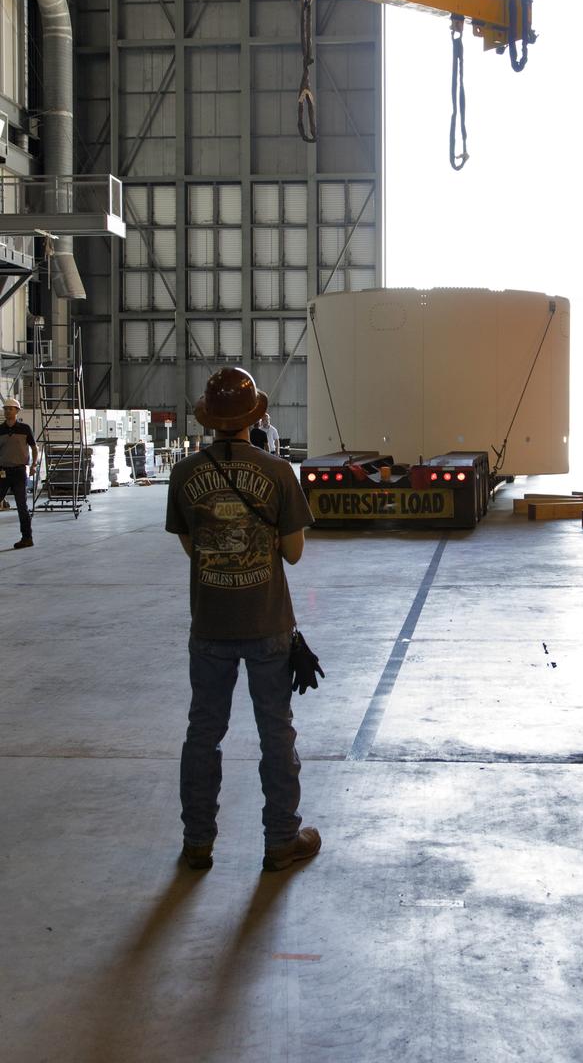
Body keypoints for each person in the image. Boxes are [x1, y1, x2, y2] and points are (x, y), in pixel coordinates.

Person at [166, 366, 318, 872]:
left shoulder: (185, 473)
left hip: (210, 624)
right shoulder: (277, 472)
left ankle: (197, 843)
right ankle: (281, 841)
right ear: (257, 415)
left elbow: (192, 545)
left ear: (208, 419)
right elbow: (294, 554)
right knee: (276, 732)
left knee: (203, 733)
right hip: (268, 623)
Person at [0, 397, 38, 549]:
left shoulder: (25, 429)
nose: (7, 411)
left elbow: (34, 448)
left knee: (22, 506)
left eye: (10, 408)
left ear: (17, 411)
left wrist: (34, 465)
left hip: (19, 472)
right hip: (2, 471)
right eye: (5, 408)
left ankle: (27, 538)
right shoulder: (0, 430)